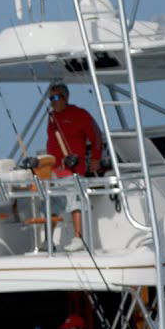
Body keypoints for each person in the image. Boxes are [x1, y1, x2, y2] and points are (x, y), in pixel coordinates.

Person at [45, 82, 103, 251]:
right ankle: (48, 240)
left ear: (66, 97)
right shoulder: (51, 118)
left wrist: (95, 159)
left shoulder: (80, 114)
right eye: (51, 98)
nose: (53, 101)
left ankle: (78, 238)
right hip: (55, 170)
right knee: (52, 205)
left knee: (74, 201)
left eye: (56, 97)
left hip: (73, 169)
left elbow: (96, 136)